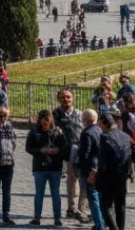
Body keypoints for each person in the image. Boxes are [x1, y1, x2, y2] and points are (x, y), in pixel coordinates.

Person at [90, 113, 130, 230]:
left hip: (109, 176)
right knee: (120, 206)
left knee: (105, 206)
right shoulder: (125, 135)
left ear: (103, 123)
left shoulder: (104, 137)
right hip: (122, 175)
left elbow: (102, 160)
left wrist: (97, 177)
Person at [53, 89, 87, 222]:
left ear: (73, 99)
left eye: (68, 97)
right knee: (64, 181)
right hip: (60, 151)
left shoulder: (79, 114)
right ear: (58, 99)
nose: (65, 100)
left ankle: (78, 208)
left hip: (76, 151)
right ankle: (69, 208)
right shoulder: (54, 114)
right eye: (62, 97)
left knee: (76, 180)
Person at [76, 109, 104, 230]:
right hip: (99, 165)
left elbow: (84, 153)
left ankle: (99, 223)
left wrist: (78, 165)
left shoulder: (86, 133)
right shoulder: (99, 130)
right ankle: (102, 220)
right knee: (99, 195)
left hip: (89, 168)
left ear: (85, 119)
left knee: (92, 196)